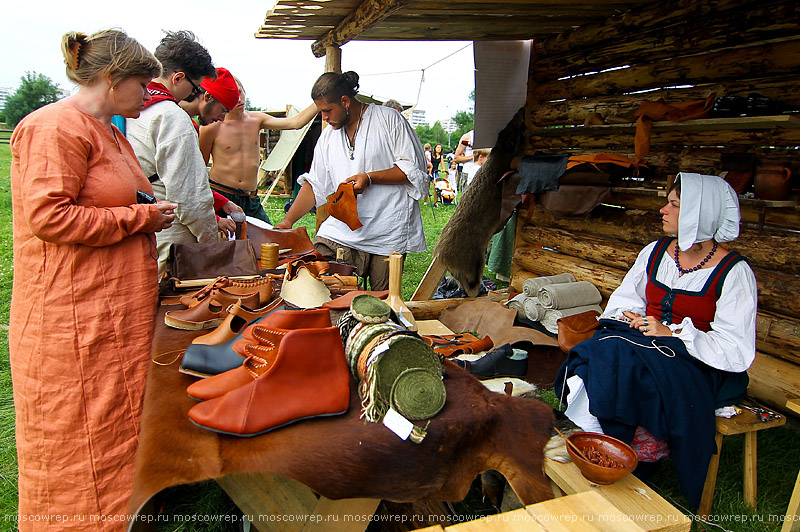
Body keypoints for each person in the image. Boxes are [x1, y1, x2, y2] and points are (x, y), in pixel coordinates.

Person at [9, 30, 175, 528]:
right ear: (111, 79)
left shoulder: (110, 131)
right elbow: (50, 218)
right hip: (70, 312)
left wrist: (147, 209)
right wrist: (139, 219)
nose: (148, 93)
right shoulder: (54, 128)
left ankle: (124, 511)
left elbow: (114, 195)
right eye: (142, 83)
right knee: (74, 424)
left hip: (111, 309)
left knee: (114, 418)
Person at [554, 172, 757, 509]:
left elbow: (734, 347)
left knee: (621, 358)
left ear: (698, 214)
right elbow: (624, 300)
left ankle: (627, 453)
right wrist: (631, 318)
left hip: (700, 362)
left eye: (674, 205)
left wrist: (673, 332)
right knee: (601, 350)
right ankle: (594, 441)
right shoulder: (656, 251)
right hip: (641, 344)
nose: (663, 210)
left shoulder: (734, 272)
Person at [275, 71, 427, 290]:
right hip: (343, 228)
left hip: (388, 229)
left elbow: (412, 170)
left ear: (345, 101)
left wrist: (370, 178)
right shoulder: (329, 135)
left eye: (327, 111)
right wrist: (288, 221)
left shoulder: (388, 119)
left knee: (380, 302)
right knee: (321, 281)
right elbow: (315, 183)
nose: (324, 118)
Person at [126, 30, 219, 276]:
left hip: (139, 229)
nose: (193, 96)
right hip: (172, 239)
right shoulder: (172, 117)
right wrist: (212, 244)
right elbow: (190, 199)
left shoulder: (131, 109)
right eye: (195, 88)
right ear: (178, 78)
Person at [199, 75, 319, 223]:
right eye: (233, 95)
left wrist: (321, 100)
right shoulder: (211, 127)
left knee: (269, 240)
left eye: (241, 92)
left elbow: (295, 122)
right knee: (224, 242)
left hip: (251, 198)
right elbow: (199, 169)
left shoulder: (256, 119)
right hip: (223, 194)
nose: (239, 99)